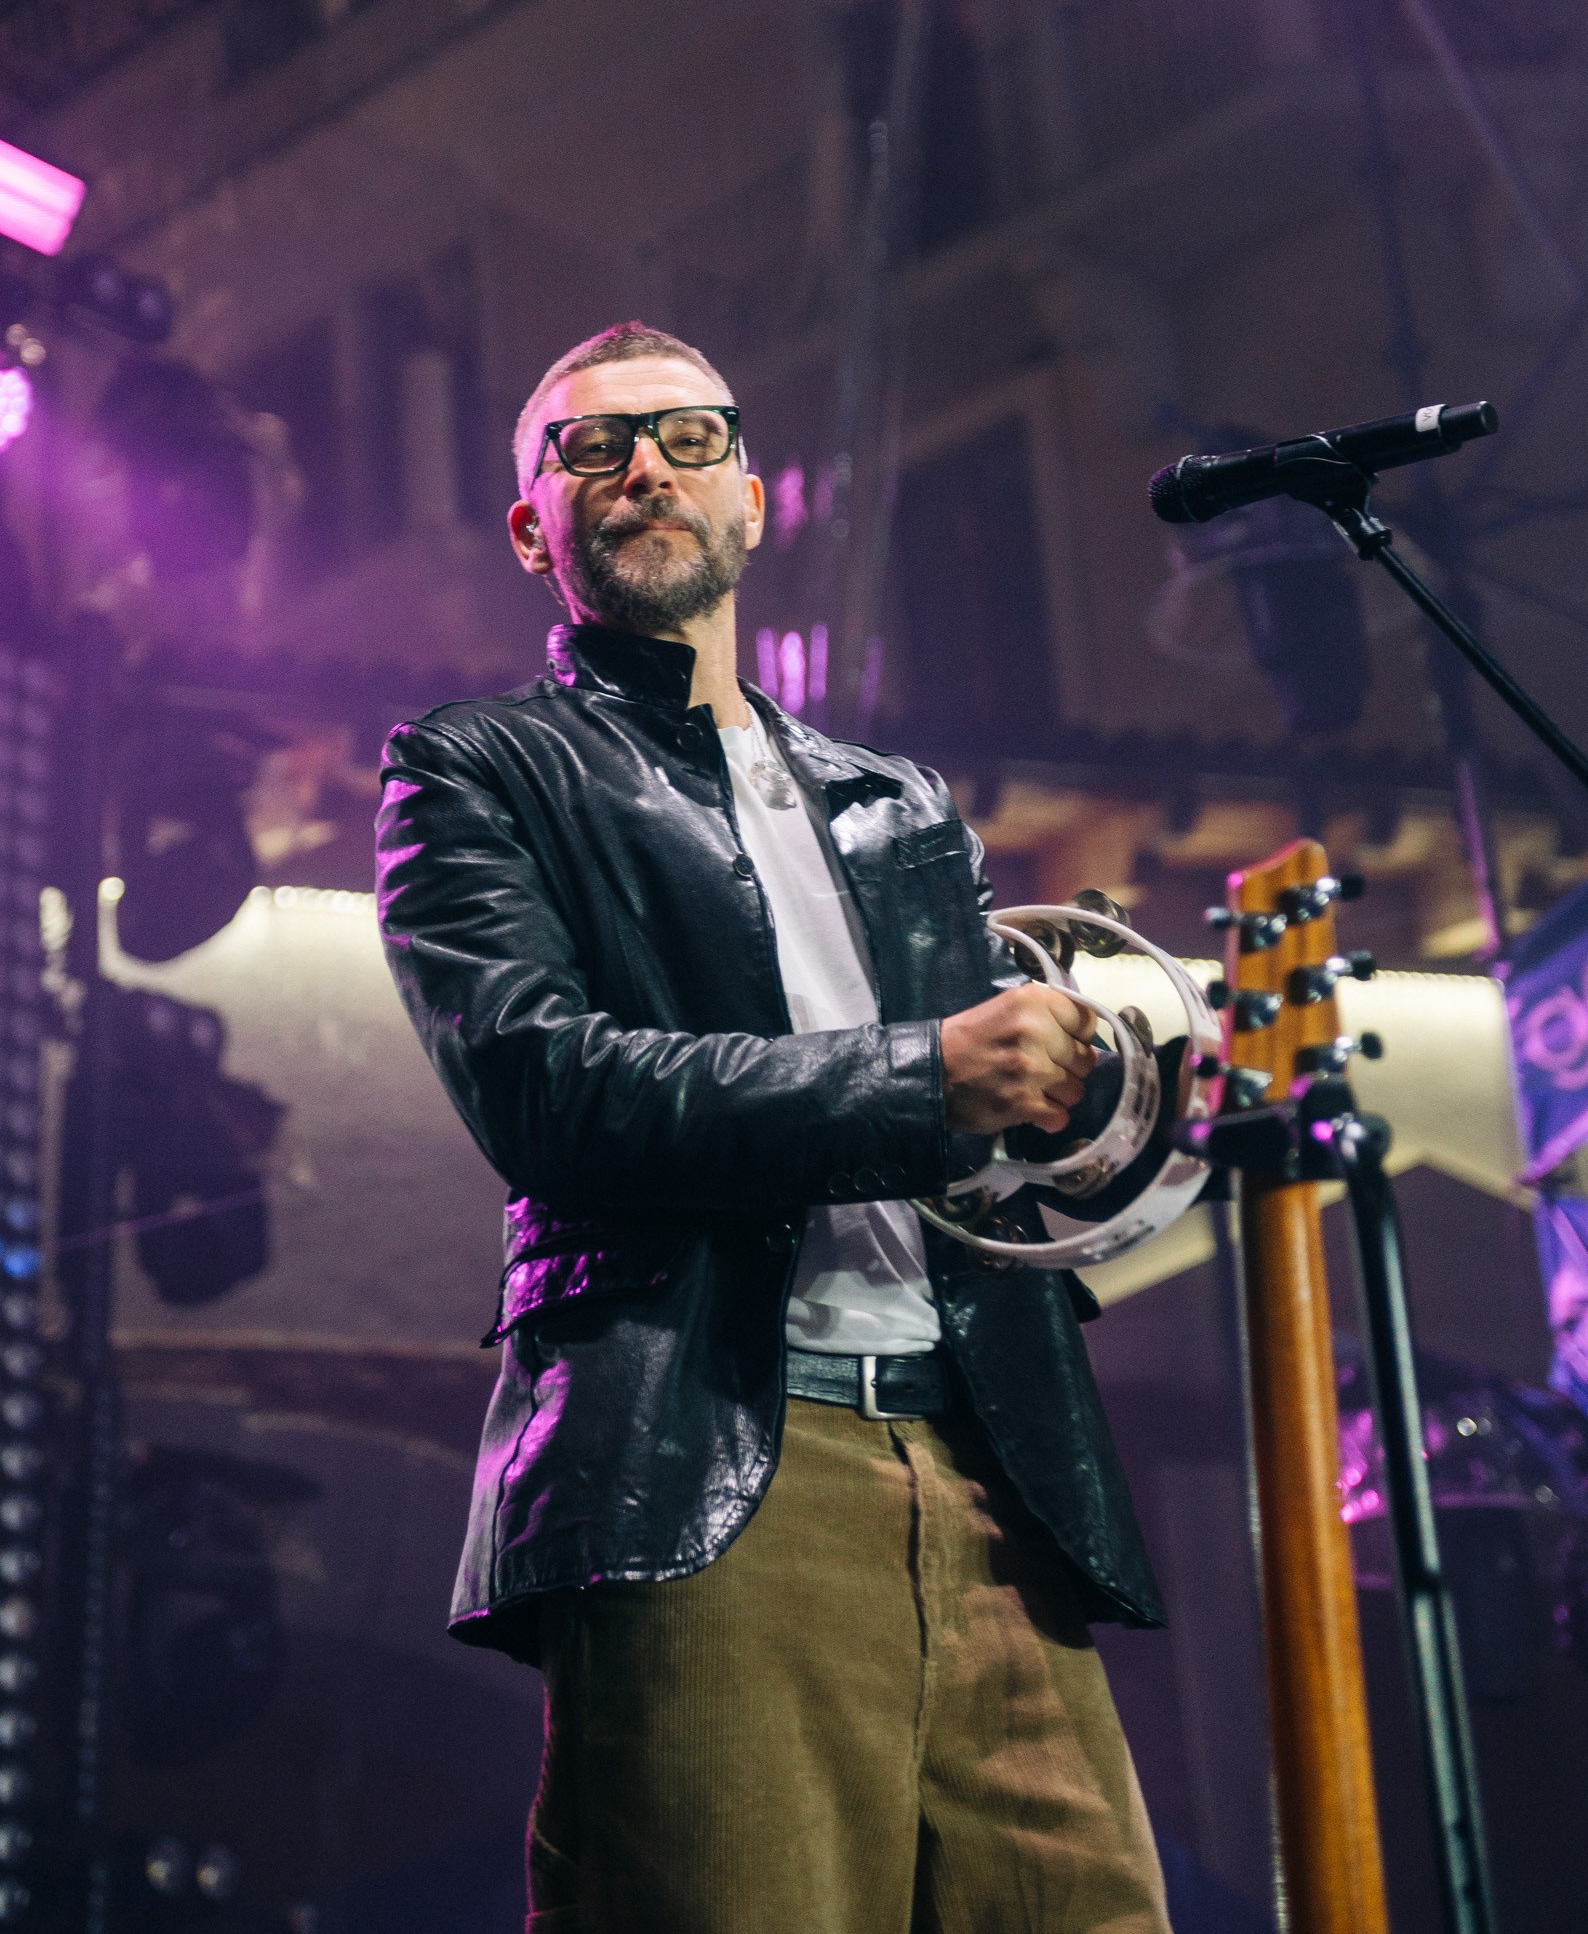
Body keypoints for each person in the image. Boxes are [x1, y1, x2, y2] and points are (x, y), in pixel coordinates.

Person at [376, 320, 1173, 1934]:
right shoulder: (477, 768)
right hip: (713, 1461)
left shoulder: (902, 800)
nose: (646, 468)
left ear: (754, 496)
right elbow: (546, 1091)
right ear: (533, 527)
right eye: (593, 447)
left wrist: (1081, 1085)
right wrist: (923, 1077)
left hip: (990, 1466)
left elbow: (994, 1135)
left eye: (691, 437)